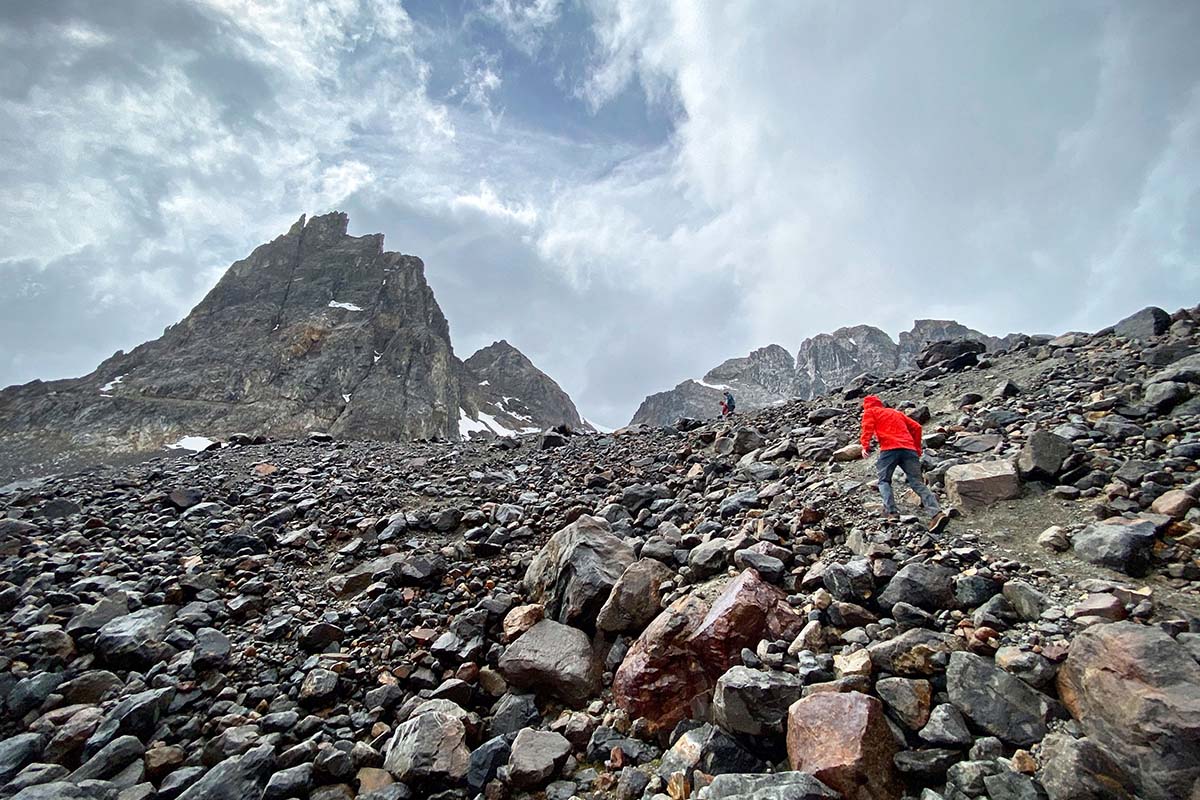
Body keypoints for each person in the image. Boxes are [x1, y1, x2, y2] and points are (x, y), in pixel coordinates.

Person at [859, 395, 948, 532]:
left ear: (867, 405)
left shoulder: (871, 412)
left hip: (889, 450)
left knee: (884, 481)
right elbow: (917, 427)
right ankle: (936, 513)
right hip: (909, 450)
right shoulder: (896, 413)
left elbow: (867, 427)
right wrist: (917, 449)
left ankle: (892, 513)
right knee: (917, 483)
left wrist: (865, 446)